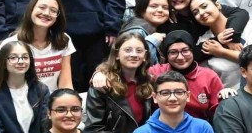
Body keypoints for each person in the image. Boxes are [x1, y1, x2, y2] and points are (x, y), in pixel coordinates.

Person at [92, 30, 226, 121]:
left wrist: (227, 93)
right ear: (166, 56)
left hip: (200, 132)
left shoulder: (209, 76)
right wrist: (100, 73)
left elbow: (221, 113)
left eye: (185, 51)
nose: (180, 57)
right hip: (162, 132)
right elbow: (127, 67)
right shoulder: (156, 72)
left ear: (193, 52)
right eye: (173, 52)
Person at [0, 0, 75, 92]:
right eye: (42, 7)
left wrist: (69, 100)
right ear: (31, 9)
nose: (46, 13)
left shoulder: (63, 40)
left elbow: (66, 85)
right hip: (19, 99)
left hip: (52, 100)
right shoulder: (10, 44)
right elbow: (1, 84)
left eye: (53, 10)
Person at [162, 0, 249, 62]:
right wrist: (218, 41)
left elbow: (240, 13)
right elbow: (185, 55)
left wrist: (232, 38)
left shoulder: (205, 6)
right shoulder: (167, 19)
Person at [190, 0, 252, 89]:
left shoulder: (251, 26)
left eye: (204, 6)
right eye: (196, 12)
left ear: (218, 5)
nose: (201, 13)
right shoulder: (204, 41)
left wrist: (222, 52)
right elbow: (205, 79)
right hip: (227, 95)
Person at [118, 0, 173, 65]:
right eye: (154, 6)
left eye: (165, 8)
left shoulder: (155, 29)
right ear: (142, 10)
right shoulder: (136, 31)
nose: (160, 10)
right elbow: (132, 61)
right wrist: (151, 42)